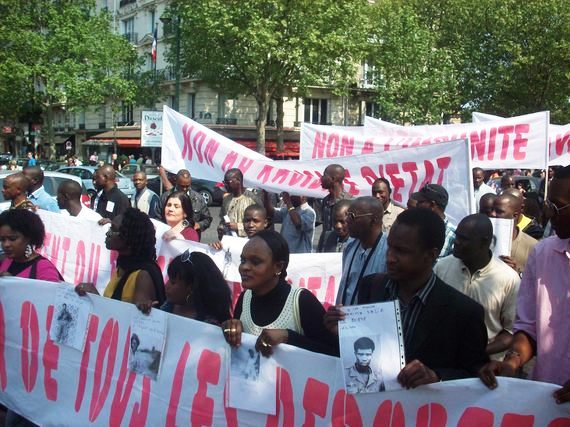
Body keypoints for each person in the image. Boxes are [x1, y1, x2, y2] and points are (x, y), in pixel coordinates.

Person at [326, 208, 489, 387]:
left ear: (431, 255)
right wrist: (340, 333)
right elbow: (359, 352)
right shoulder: (371, 287)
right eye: (390, 247)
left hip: (425, 411)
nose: (390, 257)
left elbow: (477, 377)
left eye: (401, 251)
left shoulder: (464, 313)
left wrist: (437, 377)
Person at [479, 165, 570, 404]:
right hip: (547, 402)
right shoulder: (543, 254)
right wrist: (512, 360)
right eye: (548, 204)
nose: (549, 214)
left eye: (557, 206)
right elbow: (528, 328)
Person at [221, 230, 336, 356]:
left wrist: (288, 337)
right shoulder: (245, 298)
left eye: (255, 262)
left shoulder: (301, 301)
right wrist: (232, 328)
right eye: (243, 261)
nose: (244, 267)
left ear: (278, 267)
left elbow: (333, 352)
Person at [434, 214, 520, 358]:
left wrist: (478, 352)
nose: (456, 242)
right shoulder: (442, 267)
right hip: (443, 360)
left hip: (484, 368)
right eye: (457, 236)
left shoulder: (509, 280)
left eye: (464, 239)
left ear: (484, 243)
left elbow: (510, 332)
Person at [76, 208, 165, 305]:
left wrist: (96, 298)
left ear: (128, 237)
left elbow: (130, 318)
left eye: (113, 229)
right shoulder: (124, 265)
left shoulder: (143, 276)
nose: (107, 233)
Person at [138, 251, 231, 325]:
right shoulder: (167, 307)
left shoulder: (209, 325)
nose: (167, 286)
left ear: (191, 288)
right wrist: (149, 315)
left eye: (173, 282)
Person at [336, 196, 387, 306]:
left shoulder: (388, 251)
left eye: (352, 216)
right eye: (347, 215)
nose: (347, 220)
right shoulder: (350, 246)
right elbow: (344, 285)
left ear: (373, 221)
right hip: (345, 318)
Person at [0, 209, 63, 281]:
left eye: (12, 238)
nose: (6, 244)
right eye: (2, 239)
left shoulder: (44, 269)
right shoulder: (6, 261)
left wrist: (14, 284)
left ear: (29, 238)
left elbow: (50, 291)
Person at [490, 193, 537, 274]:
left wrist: (515, 274)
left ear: (515, 216)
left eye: (499, 211)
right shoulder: (483, 239)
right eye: (492, 210)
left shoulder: (533, 247)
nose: (492, 214)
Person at [158, 169, 212, 240]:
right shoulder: (165, 197)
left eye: (187, 186)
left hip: (191, 240)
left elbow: (207, 219)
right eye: (182, 186)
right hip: (168, 239)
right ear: (176, 181)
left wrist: (199, 225)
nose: (184, 189)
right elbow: (157, 218)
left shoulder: (199, 199)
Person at [415, 183, 455, 258]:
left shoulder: (453, 236)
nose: (416, 204)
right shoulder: (415, 229)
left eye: (420, 202)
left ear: (432, 205)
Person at [218, 168, 259, 238]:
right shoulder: (226, 200)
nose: (225, 185)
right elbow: (222, 220)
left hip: (248, 242)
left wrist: (238, 226)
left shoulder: (252, 199)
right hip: (229, 241)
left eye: (228, 182)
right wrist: (221, 229)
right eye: (224, 182)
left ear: (238, 181)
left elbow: (259, 224)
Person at [316, 164, 352, 232]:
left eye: (324, 175)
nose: (322, 178)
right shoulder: (325, 201)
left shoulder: (349, 201)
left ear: (333, 179)